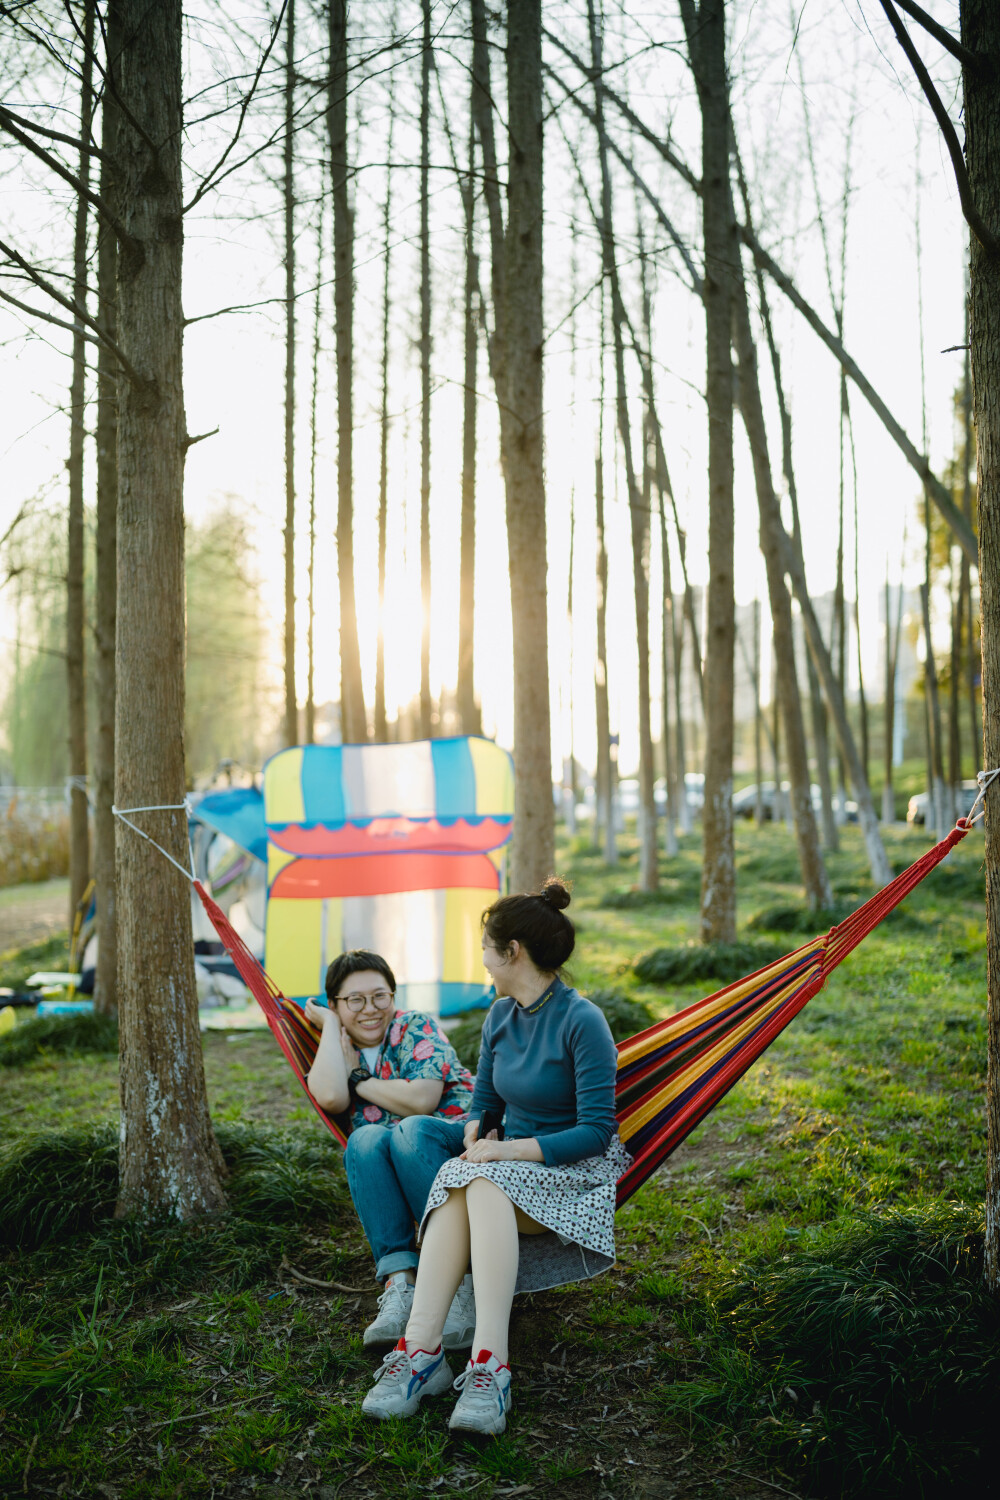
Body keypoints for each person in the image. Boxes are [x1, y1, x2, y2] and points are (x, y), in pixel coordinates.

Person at [360, 878, 629, 1434]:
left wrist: (507, 1150)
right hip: (507, 1167)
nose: (482, 958)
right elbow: (484, 1103)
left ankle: (491, 1367)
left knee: (481, 1181)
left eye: (487, 947)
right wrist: (477, 1133)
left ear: (513, 953)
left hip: (570, 1173)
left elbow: (598, 1131)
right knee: (467, 1176)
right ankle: (421, 1354)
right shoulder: (499, 1018)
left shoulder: (584, 1022)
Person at [304, 949, 477, 1350]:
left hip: (452, 1142)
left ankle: (463, 1281)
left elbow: (421, 1100)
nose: (370, 1009)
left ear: (393, 997)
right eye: (354, 1000)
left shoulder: (415, 1025)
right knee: (363, 1139)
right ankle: (402, 1285)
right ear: (335, 1005)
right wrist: (331, 1026)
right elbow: (330, 1097)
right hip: (395, 1161)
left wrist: (359, 1079)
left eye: (380, 996)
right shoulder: (335, 1044)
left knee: (408, 1131)